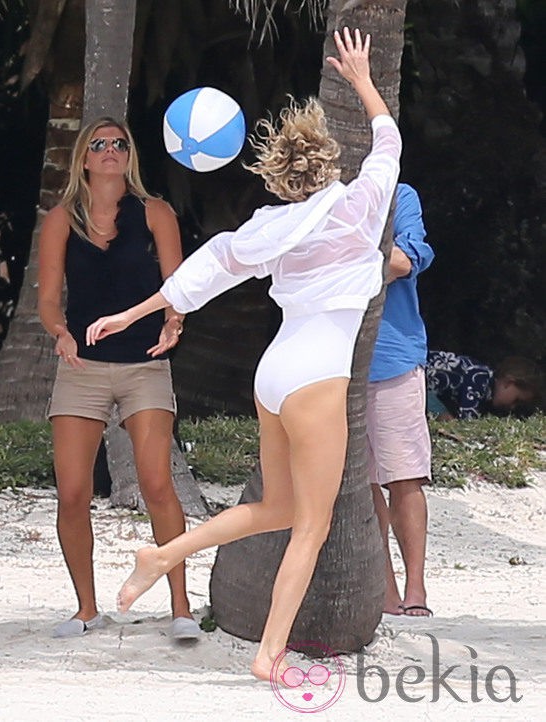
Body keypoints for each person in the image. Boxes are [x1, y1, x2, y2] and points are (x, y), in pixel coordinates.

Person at [86, 28, 398, 680]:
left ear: (282, 182)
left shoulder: (268, 228)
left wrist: (132, 313)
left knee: (279, 511)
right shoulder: (363, 205)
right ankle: (268, 655)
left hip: (275, 374)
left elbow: (202, 274)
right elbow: (389, 143)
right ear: (328, 167)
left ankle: (164, 555)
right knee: (309, 528)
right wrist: (364, 79)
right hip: (317, 377)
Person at [37, 117, 197, 640]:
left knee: (156, 482)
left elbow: (177, 286)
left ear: (130, 155)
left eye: (120, 144)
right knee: (73, 491)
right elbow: (47, 302)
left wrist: (175, 322)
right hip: (82, 367)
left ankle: (180, 607)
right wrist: (60, 332)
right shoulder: (62, 218)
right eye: (99, 145)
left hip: (144, 362)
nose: (110, 151)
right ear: (83, 159)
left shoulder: (155, 213)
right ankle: (87, 608)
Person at [366, 183, 435, 618]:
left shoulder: (401, 195)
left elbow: (404, 261)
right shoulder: (320, 191)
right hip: (336, 358)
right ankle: (388, 588)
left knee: (404, 476)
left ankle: (416, 588)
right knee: (365, 481)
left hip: (393, 354)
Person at [425, 351, 541, 419]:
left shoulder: (487, 389)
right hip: (416, 378)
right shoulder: (479, 378)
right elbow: (467, 421)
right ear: (508, 382)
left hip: (426, 388)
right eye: (516, 400)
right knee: (446, 419)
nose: (513, 407)